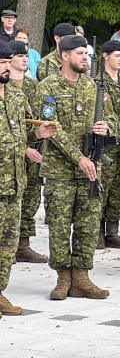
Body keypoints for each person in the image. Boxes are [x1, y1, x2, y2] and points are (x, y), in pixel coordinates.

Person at [39, 34, 118, 300]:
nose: (86, 58)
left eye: (87, 53)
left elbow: (113, 118)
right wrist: (78, 158)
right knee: (60, 225)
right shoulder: (48, 87)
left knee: (87, 224)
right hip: (60, 171)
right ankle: (63, 278)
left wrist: (106, 127)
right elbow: (53, 129)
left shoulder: (95, 87)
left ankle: (82, 277)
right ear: (65, 55)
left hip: (92, 168)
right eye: (80, 53)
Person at [0, 42, 56, 316]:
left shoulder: (15, 95)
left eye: (4, 62)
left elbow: (21, 132)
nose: (3, 67)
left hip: (14, 183)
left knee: (8, 244)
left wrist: (37, 136)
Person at [8, 41, 49, 263]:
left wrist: (39, 136)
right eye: (19, 56)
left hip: (34, 149)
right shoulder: (6, 87)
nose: (25, 59)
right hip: (10, 154)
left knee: (31, 197)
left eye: (26, 56)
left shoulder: (33, 87)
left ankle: (22, 245)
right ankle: (8, 246)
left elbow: (41, 116)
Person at [97, 40, 120, 249]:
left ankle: (112, 232)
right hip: (108, 145)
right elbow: (109, 117)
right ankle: (97, 233)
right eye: (116, 56)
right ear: (105, 56)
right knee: (103, 189)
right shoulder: (98, 82)